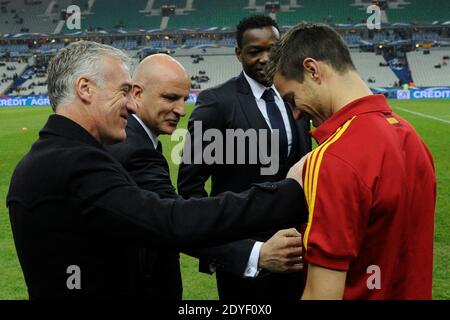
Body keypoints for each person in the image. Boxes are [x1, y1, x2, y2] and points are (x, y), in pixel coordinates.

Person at [6, 41, 307, 299]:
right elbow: (171, 220)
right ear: (84, 88)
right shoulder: (78, 163)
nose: (132, 105)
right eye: (123, 91)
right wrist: (286, 193)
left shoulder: (48, 156)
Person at [269, 22, 436, 299]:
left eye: (292, 99)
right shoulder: (413, 138)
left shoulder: (335, 157)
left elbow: (321, 295)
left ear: (312, 70)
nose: (295, 114)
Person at [177, 15, 311, 300]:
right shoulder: (217, 103)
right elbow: (191, 187)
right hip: (247, 261)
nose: (265, 58)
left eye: (272, 50)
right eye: (254, 51)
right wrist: (233, 250)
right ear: (238, 54)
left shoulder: (295, 98)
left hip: (298, 251)